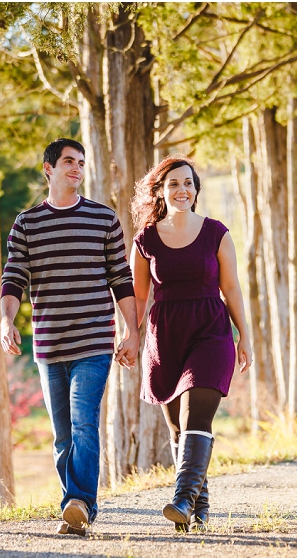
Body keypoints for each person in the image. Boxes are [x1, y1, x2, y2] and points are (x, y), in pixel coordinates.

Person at [0, 138, 139, 536]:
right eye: (68, 162)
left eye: (81, 162)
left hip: (94, 342)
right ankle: (75, 509)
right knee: (63, 435)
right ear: (48, 169)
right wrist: (6, 322)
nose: (76, 168)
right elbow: (14, 279)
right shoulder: (27, 223)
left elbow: (120, 279)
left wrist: (132, 331)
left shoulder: (103, 219)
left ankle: (79, 503)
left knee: (83, 425)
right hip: (48, 345)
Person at [126, 154, 252, 532]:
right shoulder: (145, 239)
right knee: (179, 429)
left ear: (196, 190)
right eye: (174, 184)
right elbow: (137, 295)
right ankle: (199, 507)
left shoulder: (216, 232)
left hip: (211, 330)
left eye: (188, 183)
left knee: (197, 413)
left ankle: (181, 499)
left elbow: (230, 287)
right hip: (165, 336)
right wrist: (130, 335)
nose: (182, 190)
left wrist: (245, 333)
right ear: (161, 191)